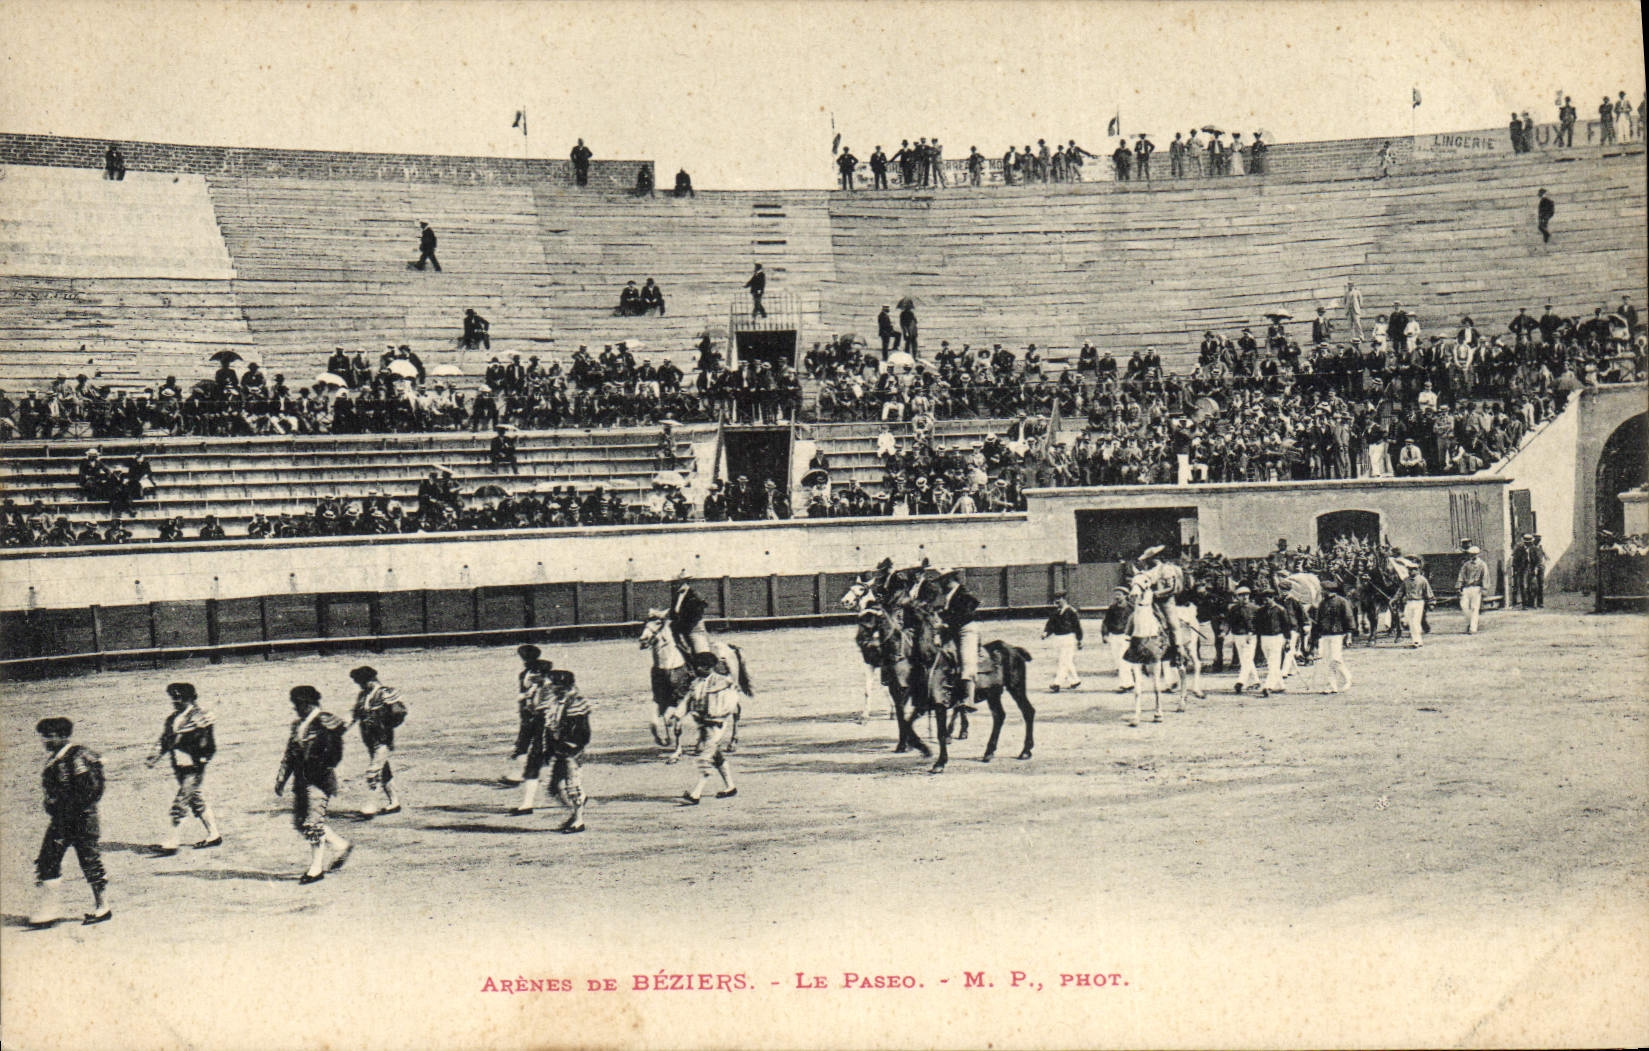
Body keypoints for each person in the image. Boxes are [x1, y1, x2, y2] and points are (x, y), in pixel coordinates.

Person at [30, 717, 110, 926]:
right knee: (48, 859)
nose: (45, 741)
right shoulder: (61, 756)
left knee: (89, 861)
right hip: (62, 819)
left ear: (63, 736)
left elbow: (90, 789)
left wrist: (66, 806)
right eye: (44, 736)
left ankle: (102, 907)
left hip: (81, 818)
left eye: (50, 736)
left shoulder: (77, 756)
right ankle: (49, 910)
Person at [275, 685, 352, 884]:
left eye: (299, 704)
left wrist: (325, 764)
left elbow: (337, 744)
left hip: (319, 779)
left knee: (312, 824)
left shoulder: (324, 720)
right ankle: (340, 844)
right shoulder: (298, 725)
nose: (296, 708)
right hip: (302, 779)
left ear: (308, 703)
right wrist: (282, 778)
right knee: (302, 822)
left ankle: (315, 869)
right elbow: (290, 754)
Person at [511, 664, 590, 830]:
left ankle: (578, 821)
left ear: (562, 686)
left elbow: (582, 731)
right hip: (560, 750)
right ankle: (576, 813)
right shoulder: (557, 701)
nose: (551, 686)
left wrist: (571, 746)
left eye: (554, 684)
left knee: (572, 786)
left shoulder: (575, 703)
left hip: (571, 752)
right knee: (554, 788)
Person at [144, 683, 221, 854]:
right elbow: (165, 740)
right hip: (179, 765)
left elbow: (207, 741)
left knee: (181, 802)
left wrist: (202, 759)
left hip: (193, 766)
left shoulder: (201, 717)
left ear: (190, 698)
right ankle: (214, 834)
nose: (175, 701)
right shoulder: (173, 719)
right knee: (195, 800)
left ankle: (172, 842)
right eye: (174, 697)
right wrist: (153, 757)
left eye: (179, 697)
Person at [675, 652, 741, 804]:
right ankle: (730, 787)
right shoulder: (697, 682)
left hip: (716, 724)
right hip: (704, 724)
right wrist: (678, 715)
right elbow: (687, 700)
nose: (697, 668)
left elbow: (731, 704)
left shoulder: (723, 682)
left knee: (705, 758)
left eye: (700, 666)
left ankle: (695, 795)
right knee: (716, 756)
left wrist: (717, 715)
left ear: (709, 667)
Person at [348, 666, 403, 817]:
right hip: (370, 739)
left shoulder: (385, 693)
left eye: (361, 682)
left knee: (373, 772)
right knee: (383, 770)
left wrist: (385, 726)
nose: (360, 685)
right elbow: (354, 716)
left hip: (382, 739)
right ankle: (394, 802)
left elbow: (398, 713)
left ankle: (371, 805)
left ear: (370, 680)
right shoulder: (363, 695)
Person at [934, 567, 981, 712]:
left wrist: (946, 623)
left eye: (942, 581)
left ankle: (969, 698)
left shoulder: (964, 593)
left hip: (966, 630)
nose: (940, 585)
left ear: (949, 580)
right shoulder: (948, 595)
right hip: (951, 631)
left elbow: (967, 613)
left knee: (967, 660)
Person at [505, 644, 544, 782]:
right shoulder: (526, 673)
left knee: (528, 743)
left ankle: (525, 773)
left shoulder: (537, 674)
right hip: (530, 713)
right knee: (528, 743)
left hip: (538, 713)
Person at [1316, 581, 1355, 694]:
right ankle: (1331, 686)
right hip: (1325, 634)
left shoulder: (1342, 601)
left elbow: (1349, 618)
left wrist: (1349, 635)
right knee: (1327, 661)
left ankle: (1347, 678)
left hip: (1337, 634)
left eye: (1322, 589)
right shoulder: (1322, 603)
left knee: (1335, 659)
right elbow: (1319, 620)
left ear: (1328, 590)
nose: (1321, 591)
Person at [1041, 591, 1083, 692]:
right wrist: (1046, 633)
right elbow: (1050, 625)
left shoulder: (1071, 612)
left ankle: (1057, 683)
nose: (1057, 601)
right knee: (1066, 660)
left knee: (1063, 661)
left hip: (1069, 638)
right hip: (1058, 639)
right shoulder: (1055, 613)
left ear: (1064, 599)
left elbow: (1077, 627)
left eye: (1059, 599)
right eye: (1056, 599)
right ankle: (1075, 680)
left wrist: (1079, 640)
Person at [1254, 586, 1290, 696]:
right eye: (1264, 599)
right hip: (1264, 638)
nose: (1266, 601)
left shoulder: (1280, 610)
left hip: (1277, 637)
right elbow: (1257, 626)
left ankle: (1268, 686)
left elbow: (1286, 625)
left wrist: (1287, 640)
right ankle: (1280, 685)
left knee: (1274, 663)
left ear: (1273, 598)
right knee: (1271, 663)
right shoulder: (1260, 611)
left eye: (1268, 598)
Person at [1225, 585, 1260, 693]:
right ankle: (1256, 681)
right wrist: (1224, 632)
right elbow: (1229, 622)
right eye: (1241, 595)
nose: (1244, 597)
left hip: (1249, 636)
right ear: (1237, 597)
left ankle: (1240, 682)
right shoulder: (1233, 609)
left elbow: (1258, 623)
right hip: (1237, 636)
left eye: (1246, 595)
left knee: (1247, 659)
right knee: (1245, 659)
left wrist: (1252, 632)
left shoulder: (1255, 608)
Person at [1099, 587, 1135, 692]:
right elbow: (1106, 622)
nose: (1116, 596)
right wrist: (1105, 634)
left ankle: (1125, 684)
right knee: (1118, 661)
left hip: (1126, 637)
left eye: (1119, 594)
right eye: (1115, 594)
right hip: (1114, 637)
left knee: (1123, 660)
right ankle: (1130, 681)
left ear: (1125, 596)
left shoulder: (1132, 608)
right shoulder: (1112, 608)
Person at [670, 570, 712, 655]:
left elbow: (696, 615)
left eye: (677, 581)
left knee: (701, 655)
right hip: (679, 629)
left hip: (694, 629)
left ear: (685, 582)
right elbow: (673, 612)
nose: (674, 584)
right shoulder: (677, 595)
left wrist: (681, 625)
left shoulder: (695, 595)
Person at [1456, 545, 1488, 634]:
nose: (1472, 556)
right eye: (1471, 554)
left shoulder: (1482, 564)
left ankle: (1473, 628)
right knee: (1464, 606)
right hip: (1466, 588)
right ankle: (1471, 622)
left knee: (1475, 608)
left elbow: (1485, 576)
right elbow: (1461, 575)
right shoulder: (1466, 564)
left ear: (1478, 554)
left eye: (1474, 554)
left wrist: (1484, 588)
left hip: (1476, 588)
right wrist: (1459, 586)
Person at [1400, 562, 1434, 648]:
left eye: (1412, 569)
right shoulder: (1406, 580)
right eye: (1409, 569)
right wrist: (1394, 599)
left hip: (1419, 602)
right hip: (1409, 603)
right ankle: (1417, 641)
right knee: (1409, 622)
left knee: (1415, 621)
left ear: (1417, 570)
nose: (1410, 571)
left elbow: (1428, 592)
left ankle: (1417, 642)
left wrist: (1431, 603)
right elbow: (1400, 592)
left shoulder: (1422, 580)